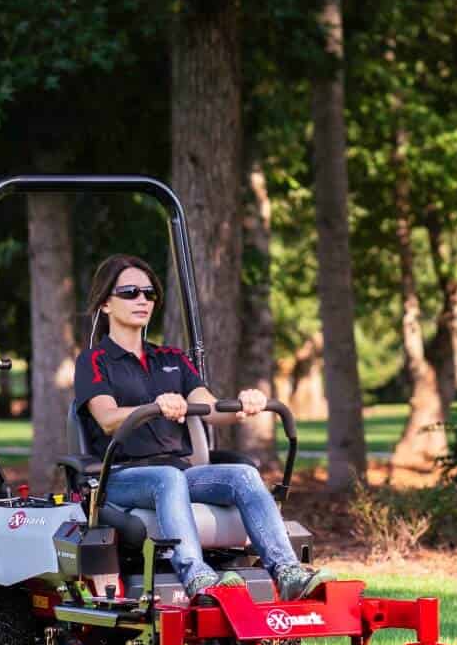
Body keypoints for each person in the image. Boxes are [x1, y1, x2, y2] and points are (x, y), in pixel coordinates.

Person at [73, 253, 333, 600]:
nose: (142, 300)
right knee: (168, 479)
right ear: (105, 303)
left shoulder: (172, 359)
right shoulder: (93, 360)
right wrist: (155, 407)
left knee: (242, 474)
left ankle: (287, 572)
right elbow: (106, 418)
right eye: (130, 292)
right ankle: (197, 577)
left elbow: (210, 408)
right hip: (119, 477)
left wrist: (245, 404)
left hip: (177, 473)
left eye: (149, 294)